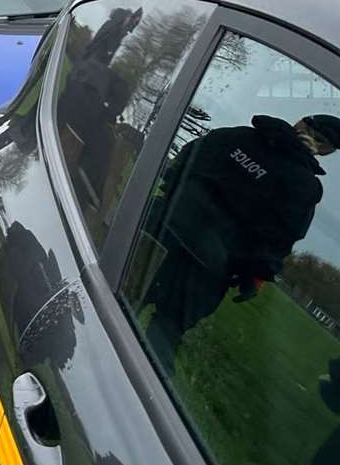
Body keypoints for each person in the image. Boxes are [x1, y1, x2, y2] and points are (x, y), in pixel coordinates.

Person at [142, 112, 340, 368]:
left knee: (115, 288)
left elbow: (179, 166)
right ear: (326, 151)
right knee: (161, 340)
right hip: (201, 270)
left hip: (157, 228)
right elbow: (276, 243)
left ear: (300, 122)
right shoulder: (303, 186)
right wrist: (253, 278)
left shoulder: (236, 135)